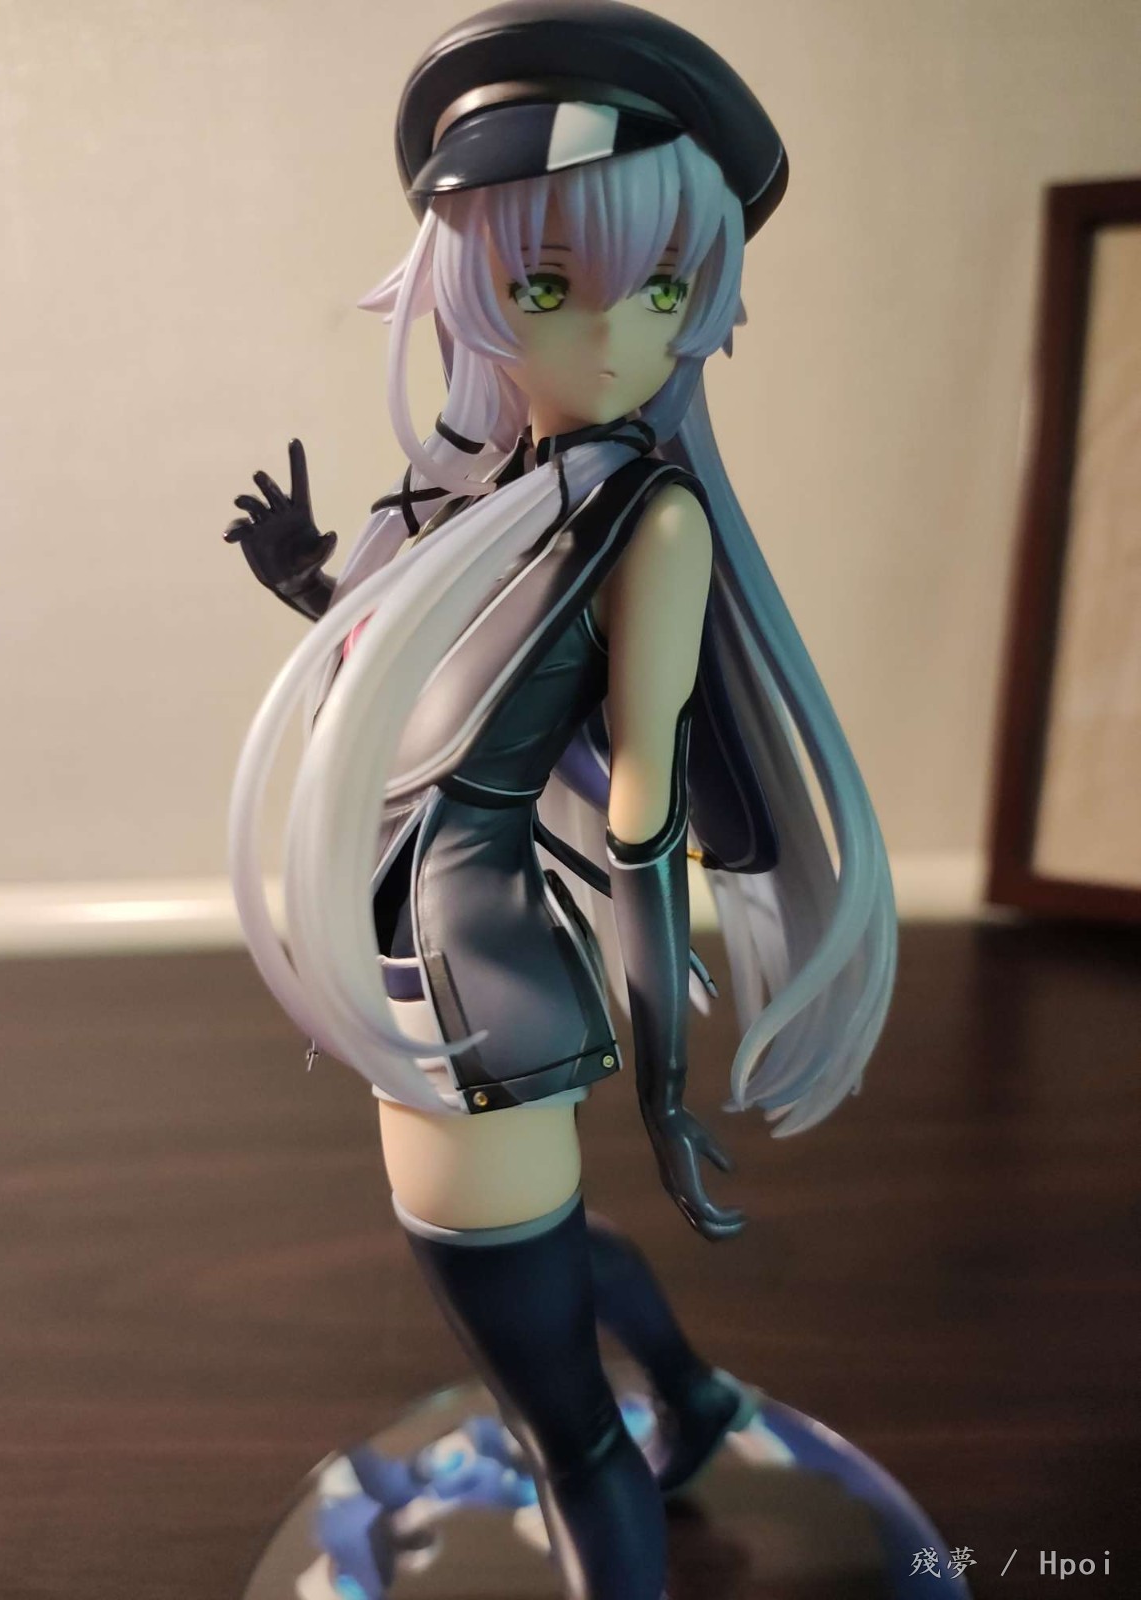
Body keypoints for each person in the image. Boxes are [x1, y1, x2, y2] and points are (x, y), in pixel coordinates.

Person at [225, 6, 897, 1596]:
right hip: (410, 945)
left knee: (555, 1421)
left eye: (661, 291)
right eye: (546, 288)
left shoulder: (647, 520)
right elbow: (415, 670)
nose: (612, 338)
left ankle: (653, 1455)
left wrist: (663, 1079)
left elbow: (647, 804)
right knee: (523, 1261)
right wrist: (312, 582)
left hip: (475, 988)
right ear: (466, 288)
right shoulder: (481, 489)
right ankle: (698, 1393)